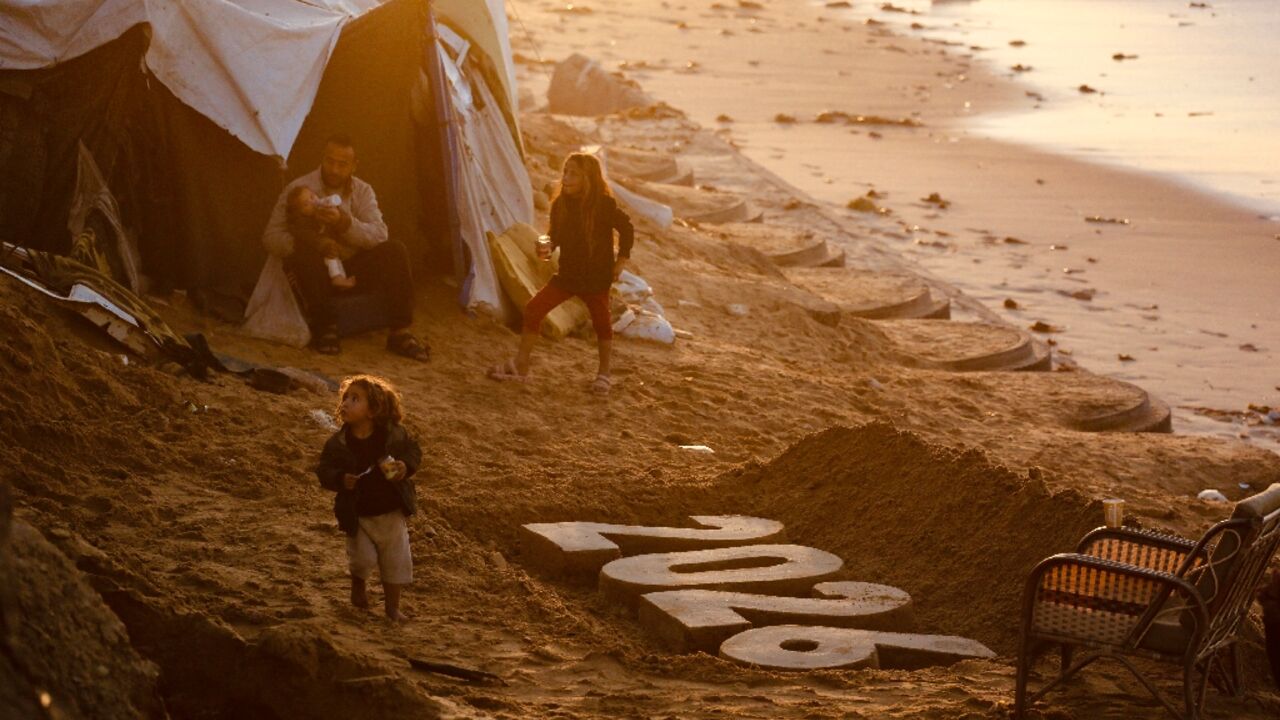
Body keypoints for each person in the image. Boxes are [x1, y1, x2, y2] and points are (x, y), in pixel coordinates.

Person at [262, 133, 429, 360]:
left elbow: (379, 234)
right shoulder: (300, 188)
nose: (335, 170)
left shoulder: (362, 191)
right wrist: (314, 242)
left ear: (354, 165)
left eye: (343, 164)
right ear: (322, 159)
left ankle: (400, 331)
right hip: (316, 272)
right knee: (302, 257)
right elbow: (271, 236)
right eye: (330, 161)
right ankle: (325, 327)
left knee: (395, 251)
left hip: (353, 268)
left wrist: (344, 223)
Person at [488, 152, 633, 394]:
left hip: (596, 277)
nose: (566, 178)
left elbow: (627, 228)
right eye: (565, 172)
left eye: (573, 173)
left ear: (589, 178)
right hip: (568, 275)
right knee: (534, 309)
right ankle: (521, 365)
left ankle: (604, 374)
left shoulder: (604, 205)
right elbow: (553, 237)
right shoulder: (560, 205)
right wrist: (544, 247)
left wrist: (621, 260)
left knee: (601, 323)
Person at [316, 375, 421, 622]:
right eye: (345, 398)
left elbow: (413, 450)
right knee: (362, 559)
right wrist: (341, 479)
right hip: (357, 513)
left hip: (391, 510)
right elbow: (324, 470)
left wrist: (404, 466)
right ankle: (358, 585)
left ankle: (392, 608)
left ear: (373, 411)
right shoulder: (338, 442)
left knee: (395, 561)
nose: (346, 404)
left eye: (355, 399)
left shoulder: (392, 435)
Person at [285, 186, 356, 291]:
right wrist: (324, 243)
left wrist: (338, 217)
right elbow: (309, 237)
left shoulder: (324, 208)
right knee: (331, 255)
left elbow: (345, 222)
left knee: (336, 256)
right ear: (300, 212)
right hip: (318, 250)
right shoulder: (303, 222)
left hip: (334, 245)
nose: (312, 202)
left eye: (312, 196)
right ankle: (337, 278)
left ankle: (341, 280)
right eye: (306, 204)